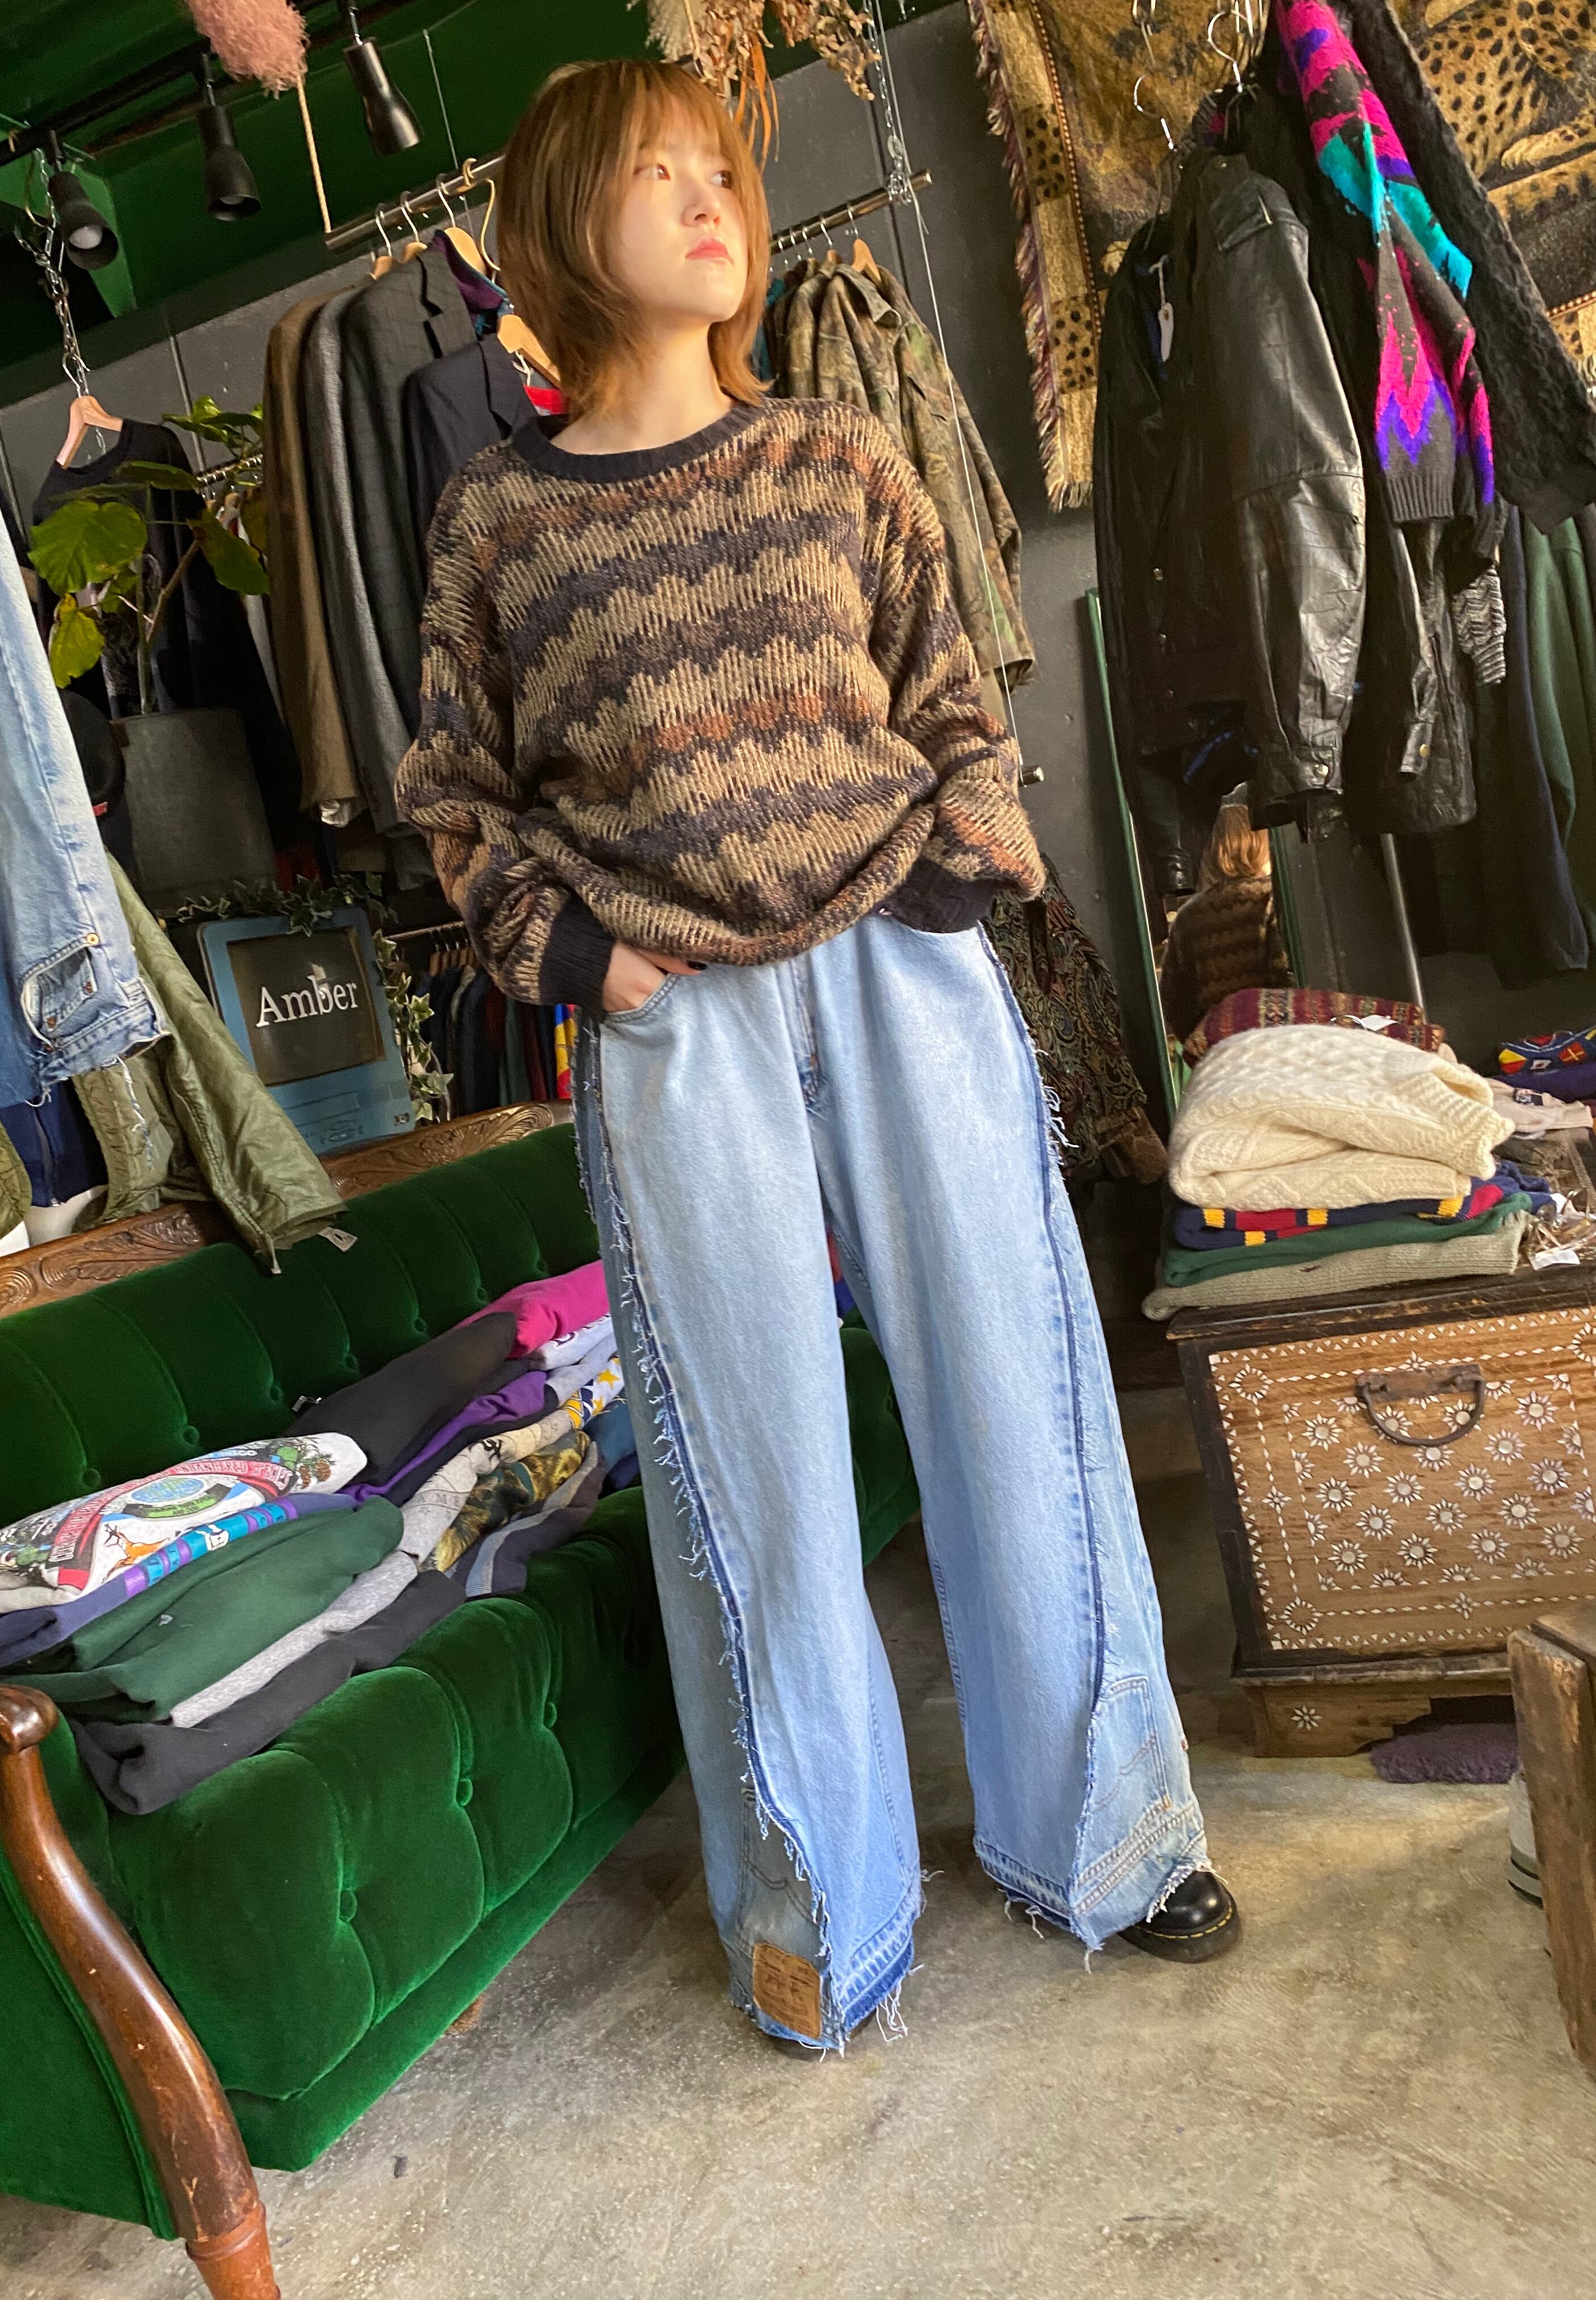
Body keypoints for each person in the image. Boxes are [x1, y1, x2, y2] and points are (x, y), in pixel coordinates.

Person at [396, 57, 1239, 2053]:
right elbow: (454, 794)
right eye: (656, 172)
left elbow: (954, 696)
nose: (711, 199)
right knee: (746, 1456)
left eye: (722, 170)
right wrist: (574, 955)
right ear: (555, 225)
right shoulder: (499, 516)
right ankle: (816, 1907)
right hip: (669, 1008)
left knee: (1015, 1382)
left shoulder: (836, 457)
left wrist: (961, 867)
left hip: (896, 958)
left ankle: (1111, 1836)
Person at [1158, 789, 1294, 1043]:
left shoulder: (1188, 917)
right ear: (1259, 843)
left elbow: (1175, 1002)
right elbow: (1285, 976)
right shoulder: (1271, 898)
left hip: (1222, 1046)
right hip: (1278, 1041)